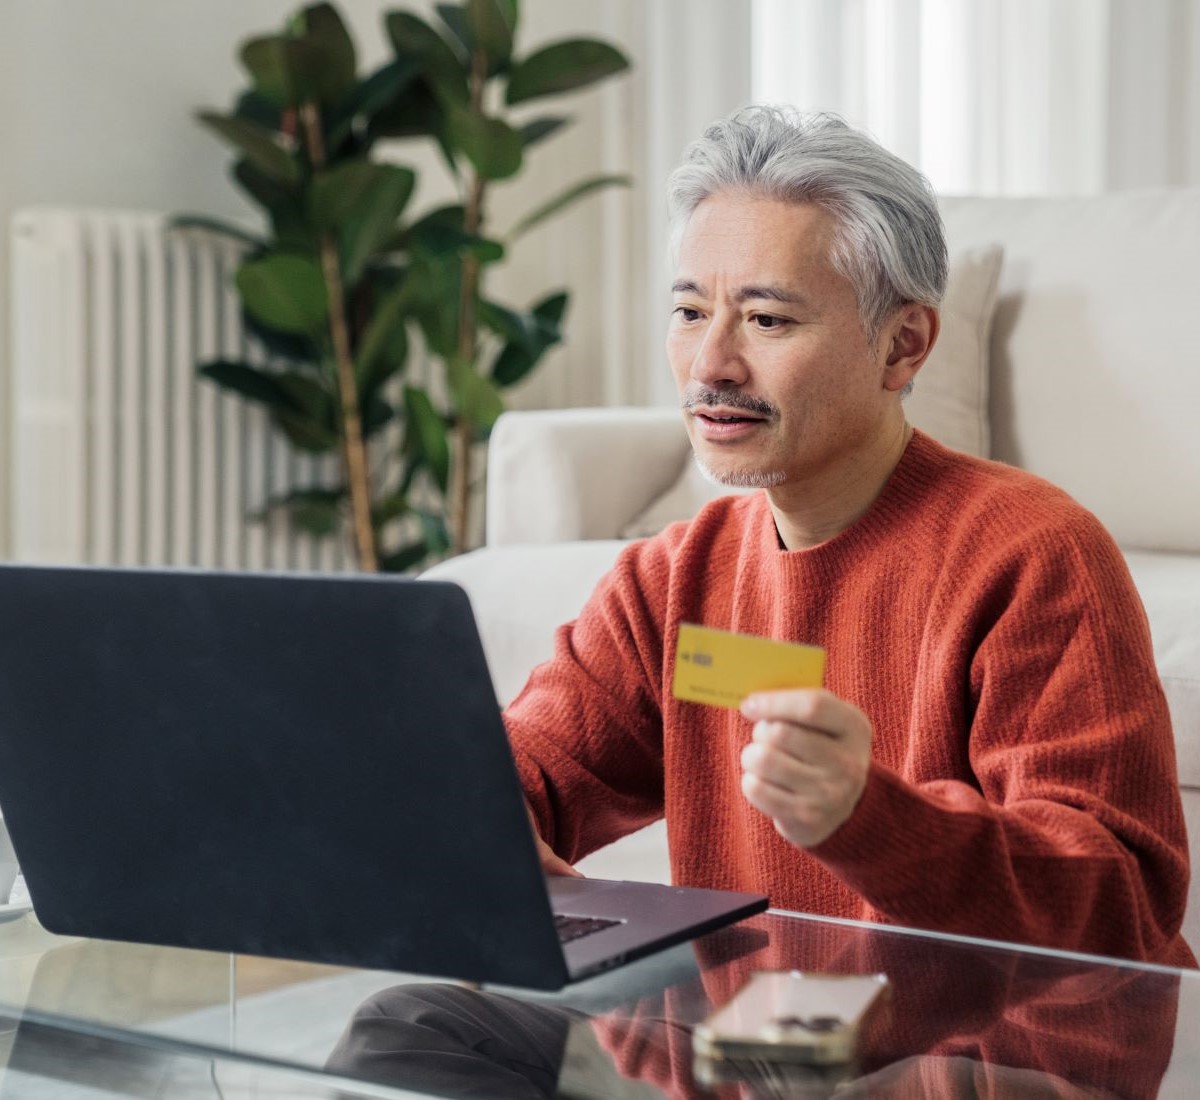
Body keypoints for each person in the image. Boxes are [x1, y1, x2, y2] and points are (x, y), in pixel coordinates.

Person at [503, 106, 1193, 966]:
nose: (710, 364)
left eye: (767, 320)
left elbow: (1121, 903)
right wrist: (462, 822)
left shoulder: (1035, 556)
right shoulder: (676, 577)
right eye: (689, 311)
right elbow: (521, 769)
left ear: (902, 347)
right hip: (762, 1056)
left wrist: (872, 819)